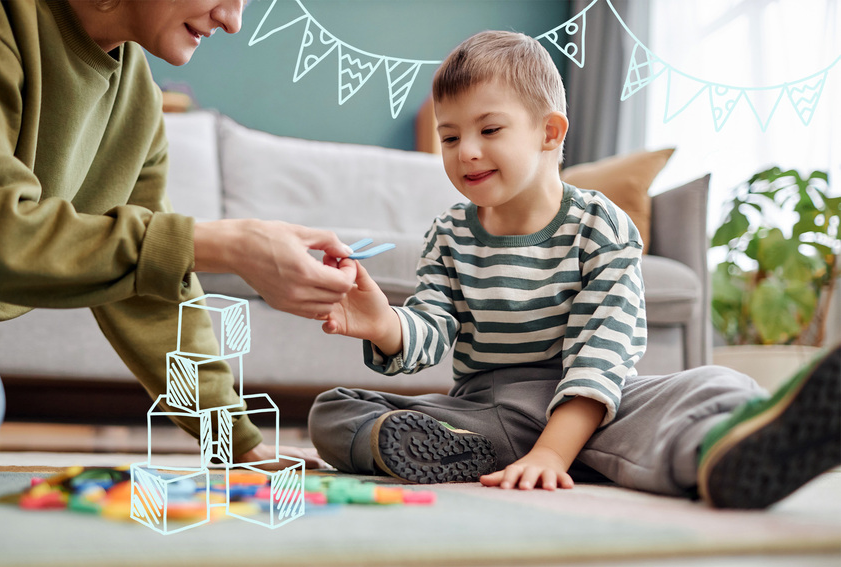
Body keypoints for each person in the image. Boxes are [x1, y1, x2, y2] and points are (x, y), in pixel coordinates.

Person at [307, 30, 841, 508]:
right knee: (332, 411)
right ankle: (494, 452)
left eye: (489, 129)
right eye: (449, 137)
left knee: (712, 383)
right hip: (490, 408)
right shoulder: (448, 234)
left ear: (549, 132)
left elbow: (603, 350)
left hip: (597, 402)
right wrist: (384, 325)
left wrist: (554, 453)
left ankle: (730, 449)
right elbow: (432, 327)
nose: (466, 151)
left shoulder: (601, 225)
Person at [0, 0, 357, 467]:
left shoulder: (136, 99)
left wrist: (235, 443)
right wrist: (228, 245)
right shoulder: (3, 22)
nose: (233, 20)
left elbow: (149, 287)